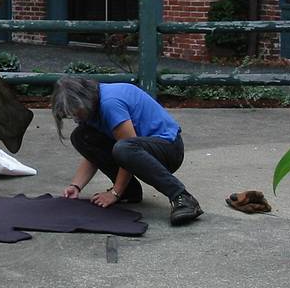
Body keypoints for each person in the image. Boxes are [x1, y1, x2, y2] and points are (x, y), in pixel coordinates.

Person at [51, 76, 202, 226]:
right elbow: (93, 154)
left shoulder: (110, 103)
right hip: (139, 149)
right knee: (81, 136)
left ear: (84, 100)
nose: (75, 118)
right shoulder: (91, 104)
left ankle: (182, 197)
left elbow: (128, 150)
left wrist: (114, 193)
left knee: (123, 148)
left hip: (169, 150)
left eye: (76, 113)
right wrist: (75, 186)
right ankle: (129, 191)